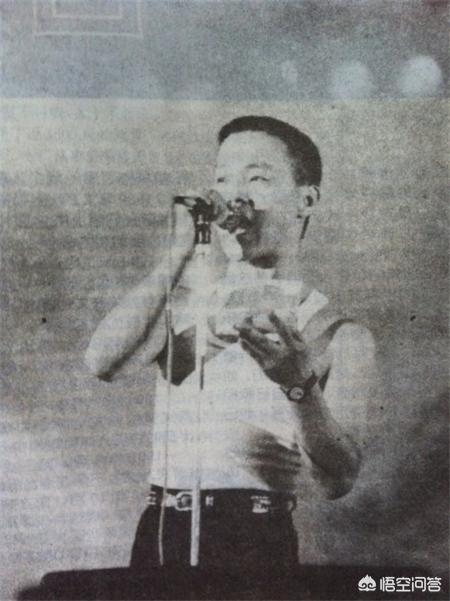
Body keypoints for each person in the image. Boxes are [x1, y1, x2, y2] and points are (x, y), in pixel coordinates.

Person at [84, 116, 376, 587]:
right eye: (222, 179)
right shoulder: (183, 307)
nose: (233, 195)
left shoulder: (337, 333)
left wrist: (298, 386)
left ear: (306, 200)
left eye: (256, 178)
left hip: (254, 538)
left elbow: (336, 481)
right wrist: (178, 252)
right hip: (162, 529)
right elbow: (102, 364)